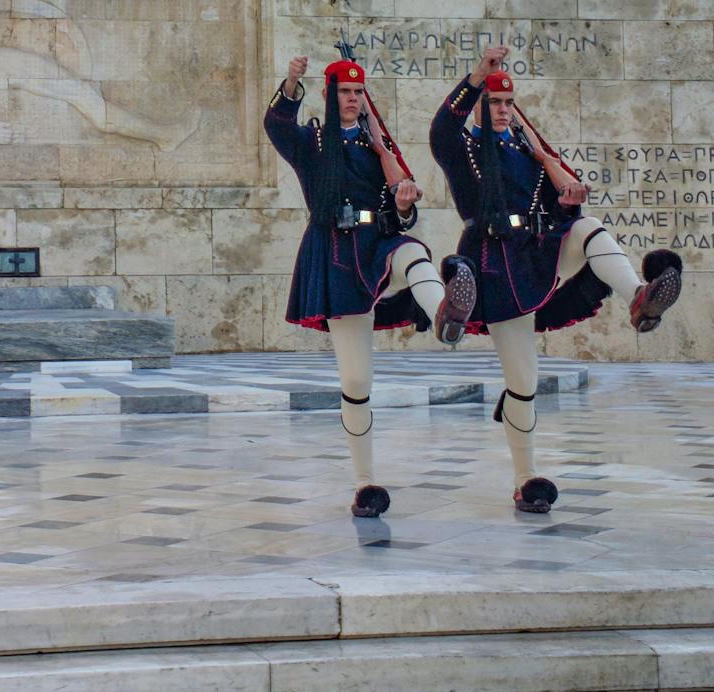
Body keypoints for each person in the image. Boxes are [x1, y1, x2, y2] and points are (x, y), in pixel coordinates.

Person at [430, 44, 683, 514]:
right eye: (495, 103)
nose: (503, 110)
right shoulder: (464, 147)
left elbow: (554, 211)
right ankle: (524, 477)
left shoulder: (531, 153)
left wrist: (567, 198)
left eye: (509, 103)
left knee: (587, 229)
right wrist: (473, 78)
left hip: (539, 252)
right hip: (492, 261)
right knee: (524, 382)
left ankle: (639, 297)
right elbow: (442, 128)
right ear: (481, 105)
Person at [265, 54, 477, 519]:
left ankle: (447, 313)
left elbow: (405, 212)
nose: (353, 99)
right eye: (345, 92)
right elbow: (277, 126)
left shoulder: (377, 147)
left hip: (378, 242)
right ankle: (365, 484)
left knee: (414, 253)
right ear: (331, 94)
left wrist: (403, 204)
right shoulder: (313, 142)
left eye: (359, 93)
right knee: (357, 381)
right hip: (336, 254)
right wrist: (291, 84)